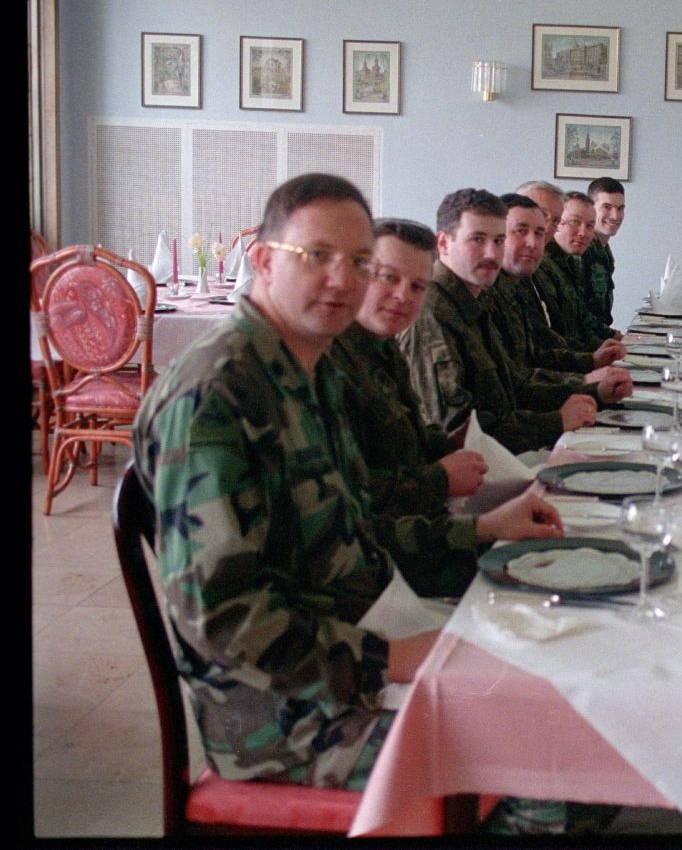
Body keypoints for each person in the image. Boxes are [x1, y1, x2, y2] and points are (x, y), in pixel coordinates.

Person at [131, 174, 562, 794]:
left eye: (360, 261)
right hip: (285, 717)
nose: (344, 278)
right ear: (262, 260)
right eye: (317, 257)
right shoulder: (216, 396)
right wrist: (397, 657)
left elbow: (358, 525)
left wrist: (476, 533)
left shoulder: (314, 368)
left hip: (370, 625)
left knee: (546, 655)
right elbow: (227, 622)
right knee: (536, 764)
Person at [327, 217, 566, 597]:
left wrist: (447, 446)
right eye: (387, 278)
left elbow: (408, 440)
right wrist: (453, 492)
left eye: (417, 285)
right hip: (389, 571)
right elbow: (356, 507)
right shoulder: (329, 364)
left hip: (427, 531)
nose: (403, 296)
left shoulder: (381, 344)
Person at [398, 188, 599, 453]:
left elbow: (513, 387)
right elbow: (458, 433)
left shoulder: (474, 300)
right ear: (444, 244)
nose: (492, 254)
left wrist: (592, 392)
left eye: (499, 241)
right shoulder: (433, 313)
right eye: (477, 240)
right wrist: (556, 421)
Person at [489, 192, 629, 380]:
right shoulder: (514, 280)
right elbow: (519, 374)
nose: (533, 242)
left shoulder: (553, 266)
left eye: (540, 232)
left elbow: (535, 352)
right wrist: (586, 377)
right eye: (521, 230)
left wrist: (593, 359)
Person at [536, 191, 619, 349]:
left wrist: (607, 347)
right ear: (558, 223)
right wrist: (594, 357)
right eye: (575, 222)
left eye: (589, 226)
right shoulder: (541, 265)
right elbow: (553, 339)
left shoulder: (571, 262)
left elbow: (580, 321)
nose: (583, 233)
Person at [581, 176, 624, 329]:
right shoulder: (583, 250)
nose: (615, 216)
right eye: (607, 207)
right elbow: (579, 314)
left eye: (620, 208)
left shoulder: (604, 249)